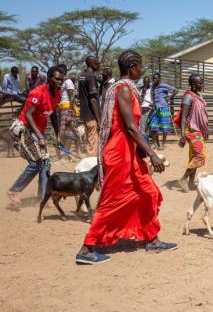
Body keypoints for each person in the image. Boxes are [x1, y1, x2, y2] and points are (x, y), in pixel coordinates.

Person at [75, 50, 177, 265]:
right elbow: (130, 127)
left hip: (129, 151)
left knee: (147, 193)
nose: (141, 70)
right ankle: (87, 248)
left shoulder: (125, 89)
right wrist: (152, 154)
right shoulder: (122, 89)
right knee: (112, 200)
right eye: (140, 66)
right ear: (131, 67)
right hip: (119, 152)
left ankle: (151, 239)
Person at [6, 66, 63, 205]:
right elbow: (28, 115)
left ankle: (43, 196)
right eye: (57, 79)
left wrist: (58, 135)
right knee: (37, 162)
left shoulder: (58, 94)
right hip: (25, 128)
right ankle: (13, 190)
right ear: (49, 78)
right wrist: (41, 137)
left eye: (62, 79)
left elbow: (54, 114)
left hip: (38, 131)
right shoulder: (38, 92)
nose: (60, 82)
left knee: (46, 163)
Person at [177, 74, 208, 192]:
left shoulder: (198, 95)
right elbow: (183, 118)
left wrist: (205, 129)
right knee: (200, 156)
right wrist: (182, 135)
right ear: (194, 85)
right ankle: (184, 179)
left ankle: (190, 182)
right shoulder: (188, 97)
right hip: (190, 130)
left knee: (194, 156)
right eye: (200, 83)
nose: (202, 85)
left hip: (199, 130)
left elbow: (202, 114)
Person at [78, 56, 101, 156]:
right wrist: (98, 119)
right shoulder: (91, 76)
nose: (99, 65)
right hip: (91, 115)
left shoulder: (82, 76)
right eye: (97, 63)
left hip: (84, 113)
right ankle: (90, 166)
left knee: (89, 141)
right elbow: (92, 99)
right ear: (91, 64)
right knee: (93, 143)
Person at [148, 72, 178, 150]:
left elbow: (176, 90)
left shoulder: (164, 85)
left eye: (156, 78)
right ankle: (154, 143)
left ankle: (163, 144)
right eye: (153, 78)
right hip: (156, 108)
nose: (154, 79)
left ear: (159, 79)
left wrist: (169, 97)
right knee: (153, 126)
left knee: (165, 126)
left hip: (164, 108)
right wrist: (152, 103)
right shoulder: (153, 87)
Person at [56, 64, 78, 161]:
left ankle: (65, 157)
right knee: (63, 133)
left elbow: (72, 96)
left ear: (64, 72)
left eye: (60, 71)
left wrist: (69, 112)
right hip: (62, 109)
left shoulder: (68, 82)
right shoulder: (62, 82)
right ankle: (66, 155)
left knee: (68, 133)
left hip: (67, 108)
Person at [139, 76, 153, 140]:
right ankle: (144, 141)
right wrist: (143, 92)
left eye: (147, 82)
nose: (146, 83)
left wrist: (152, 103)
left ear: (149, 82)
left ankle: (146, 140)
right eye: (145, 82)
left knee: (149, 125)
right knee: (142, 125)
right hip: (142, 108)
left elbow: (154, 98)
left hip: (150, 108)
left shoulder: (152, 89)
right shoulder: (141, 89)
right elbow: (140, 99)